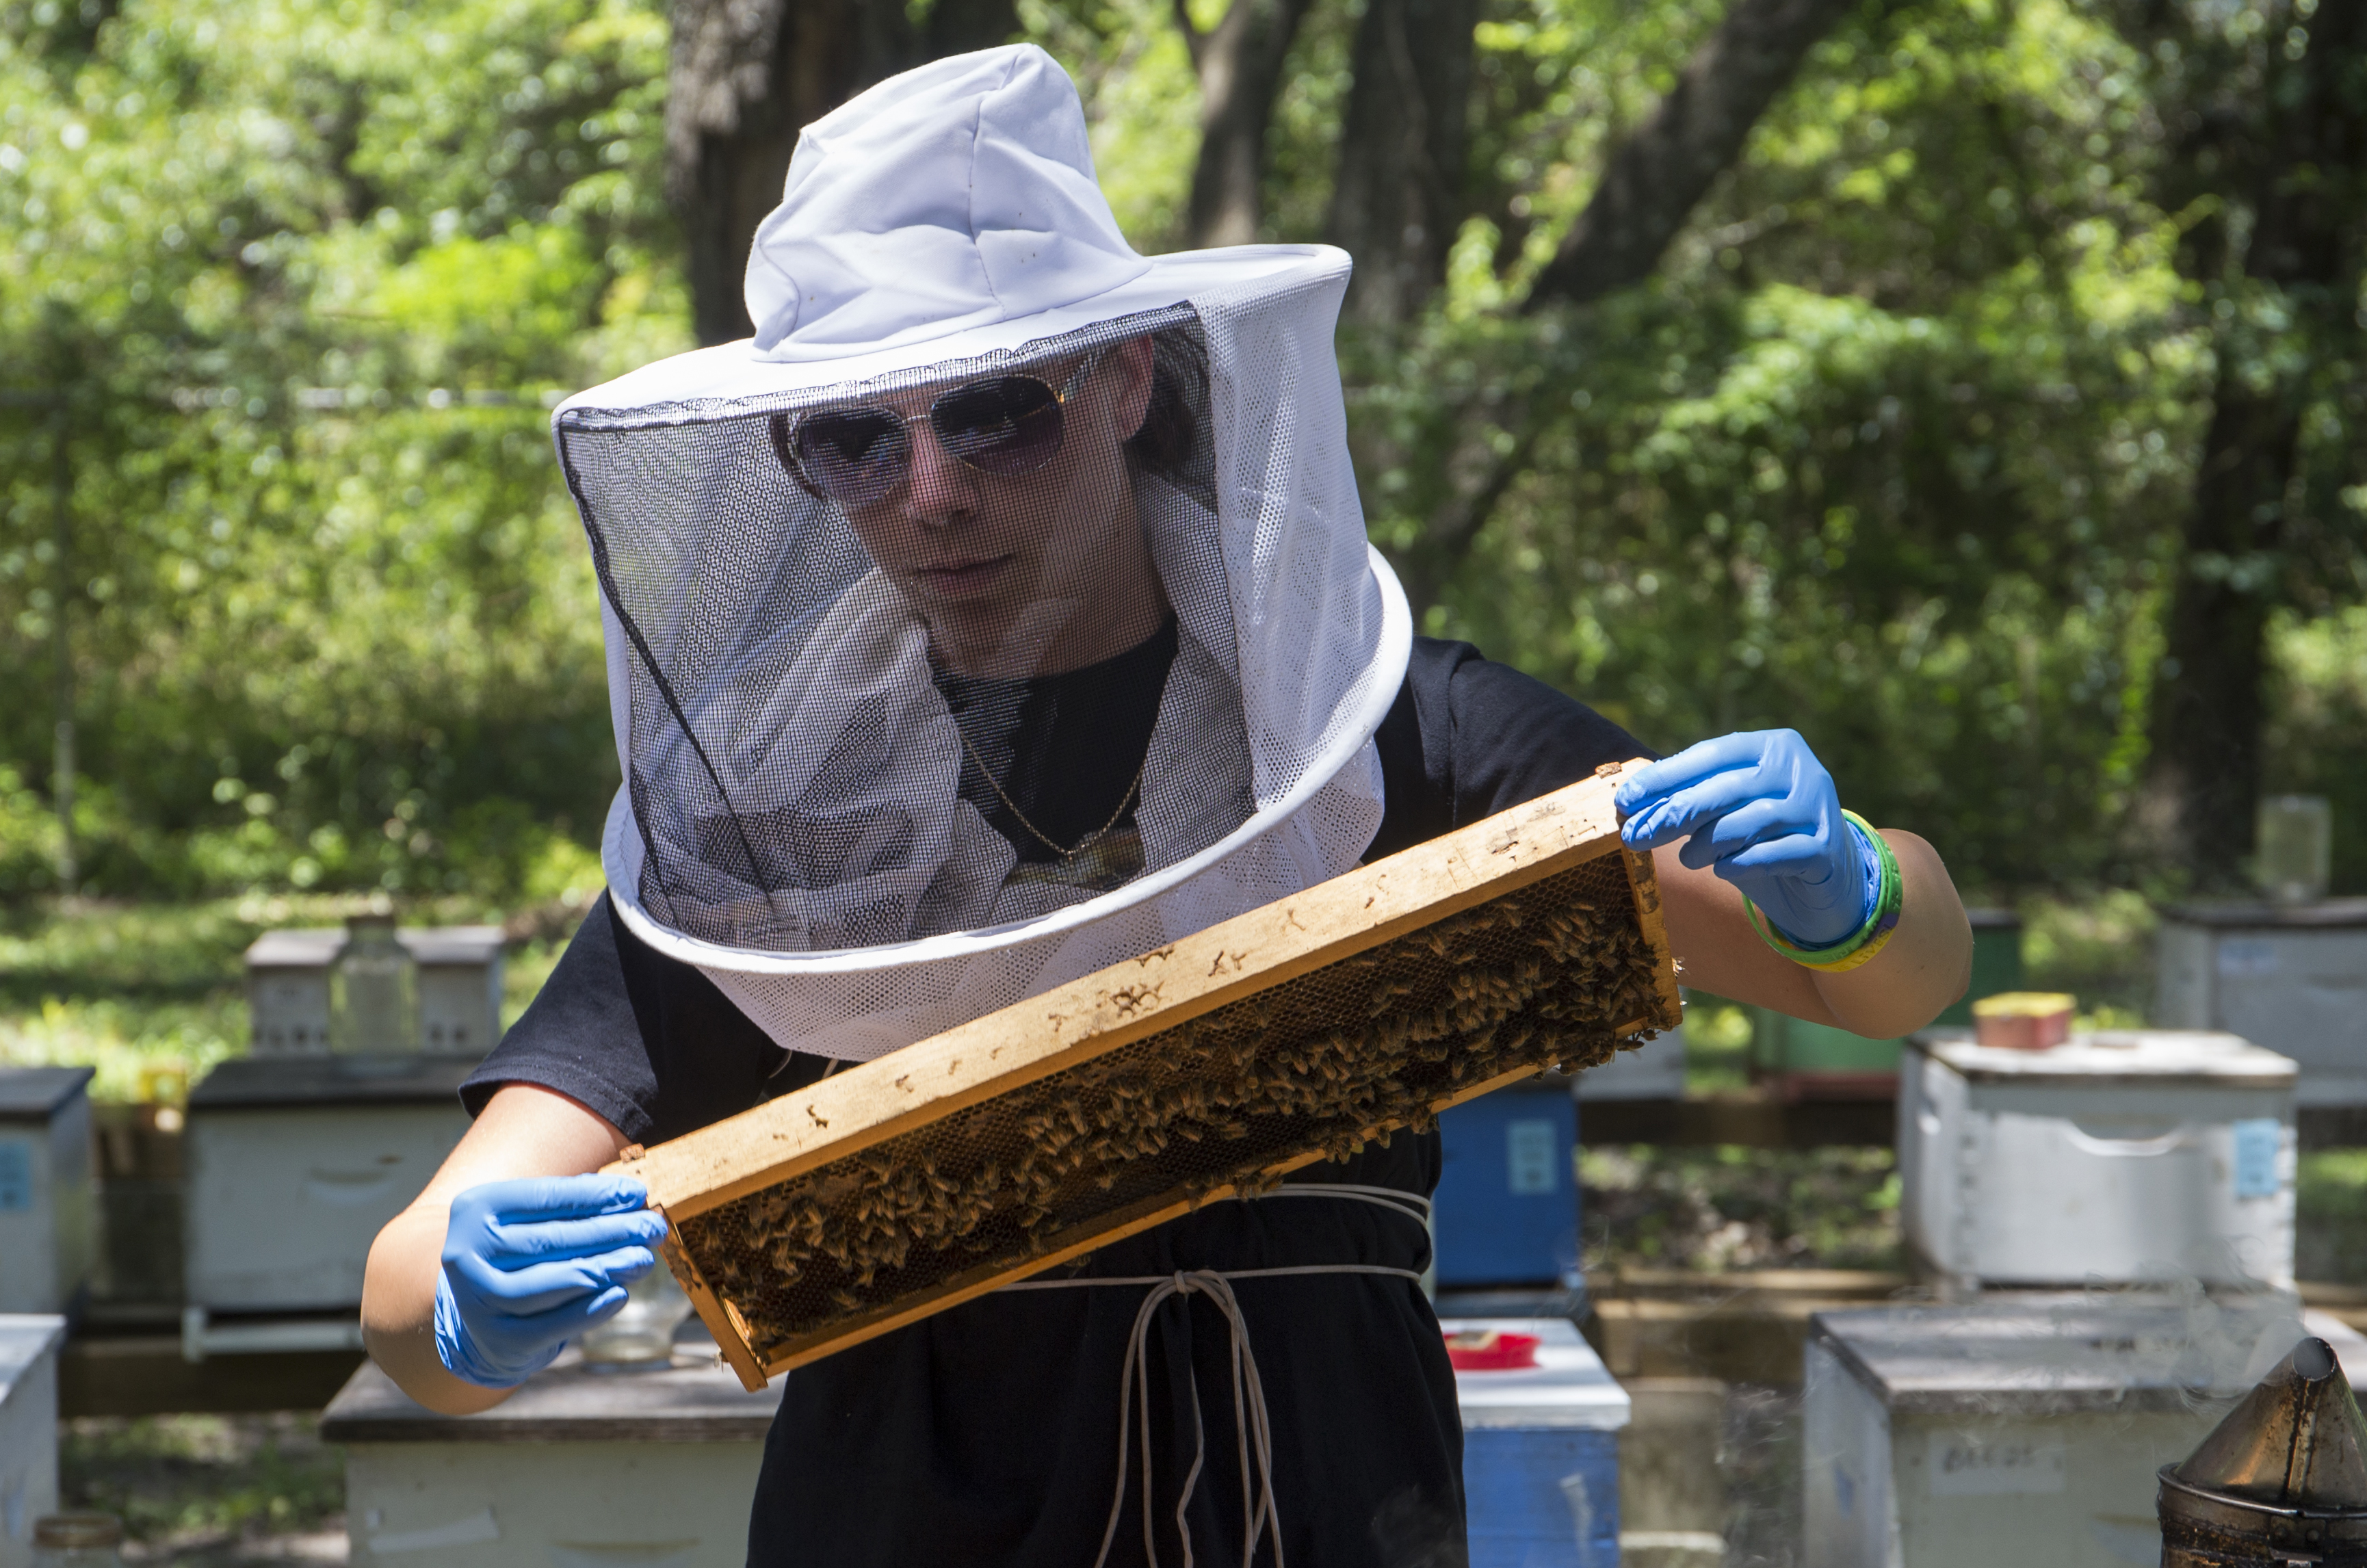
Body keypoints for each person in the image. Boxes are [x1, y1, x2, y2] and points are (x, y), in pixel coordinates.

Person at [359, 45, 1972, 1565]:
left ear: (1127, 377)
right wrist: (461, 1311)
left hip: (1329, 1499)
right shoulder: (768, 815)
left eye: (996, 409)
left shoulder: (1380, 722)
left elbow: (1877, 984)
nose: (932, 495)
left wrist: (1861, 889)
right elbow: (414, 1282)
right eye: (854, 437)